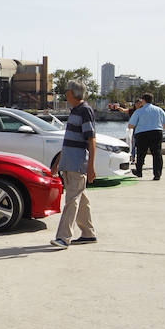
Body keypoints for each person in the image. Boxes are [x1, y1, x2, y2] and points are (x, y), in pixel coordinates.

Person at [50, 80, 97, 249]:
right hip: (69, 163)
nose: (65, 93)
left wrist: (90, 166)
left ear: (73, 93)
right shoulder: (76, 111)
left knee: (71, 201)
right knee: (80, 199)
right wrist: (57, 163)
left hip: (76, 164)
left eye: (67, 90)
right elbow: (69, 142)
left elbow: (91, 140)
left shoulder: (85, 111)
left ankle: (63, 237)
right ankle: (88, 233)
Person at [128, 92, 165, 180]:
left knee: (141, 153)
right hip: (157, 132)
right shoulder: (159, 109)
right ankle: (157, 174)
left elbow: (131, 125)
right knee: (157, 154)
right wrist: (161, 128)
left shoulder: (139, 111)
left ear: (143, 100)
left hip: (142, 134)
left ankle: (139, 171)